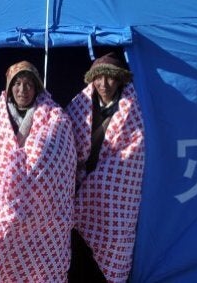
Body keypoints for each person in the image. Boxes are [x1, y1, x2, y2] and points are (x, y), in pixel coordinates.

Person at [0, 61, 77, 282]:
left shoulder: (55, 120)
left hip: (40, 213)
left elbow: (59, 163)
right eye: (17, 84)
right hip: (1, 209)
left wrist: (30, 178)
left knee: (38, 263)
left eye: (28, 84)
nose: (22, 90)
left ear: (36, 88)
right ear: (9, 88)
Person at [66, 52, 145, 283]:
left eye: (110, 78)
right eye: (99, 78)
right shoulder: (79, 107)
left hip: (111, 200)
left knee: (112, 243)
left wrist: (102, 179)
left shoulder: (132, 112)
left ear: (120, 79)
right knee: (77, 247)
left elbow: (133, 154)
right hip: (78, 189)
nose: (104, 84)